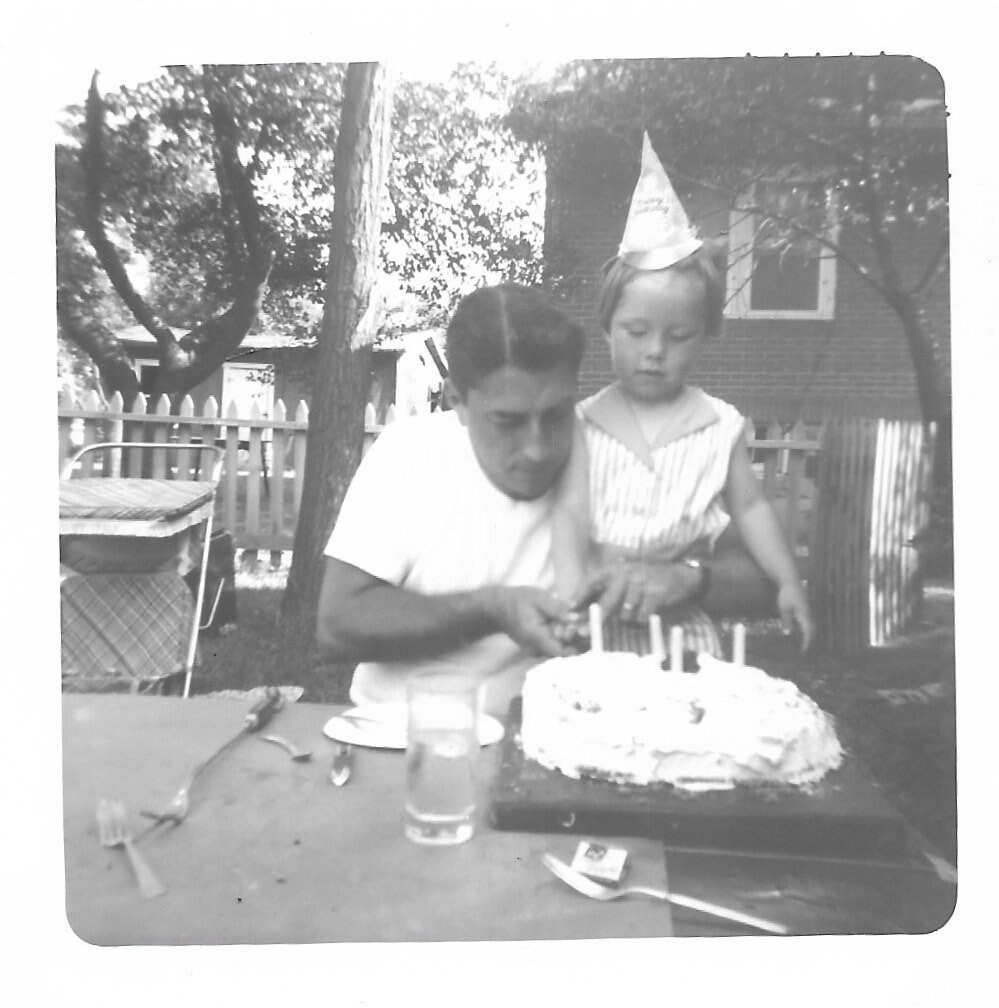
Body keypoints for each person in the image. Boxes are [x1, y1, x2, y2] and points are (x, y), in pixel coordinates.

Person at [316, 282, 775, 717]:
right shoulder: (409, 455)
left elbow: (767, 580)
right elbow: (338, 625)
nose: (538, 448)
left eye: (556, 415)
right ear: (456, 399)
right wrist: (490, 609)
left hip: (565, 742)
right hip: (400, 736)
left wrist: (685, 578)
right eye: (508, 422)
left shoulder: (619, 452)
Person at [558, 133, 813, 656]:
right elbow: (570, 515)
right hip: (598, 621)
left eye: (677, 337)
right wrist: (569, 598)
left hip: (683, 629)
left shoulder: (720, 426)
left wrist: (787, 581)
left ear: (704, 337)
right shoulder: (582, 422)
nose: (655, 351)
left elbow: (752, 508)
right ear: (606, 329)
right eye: (636, 331)